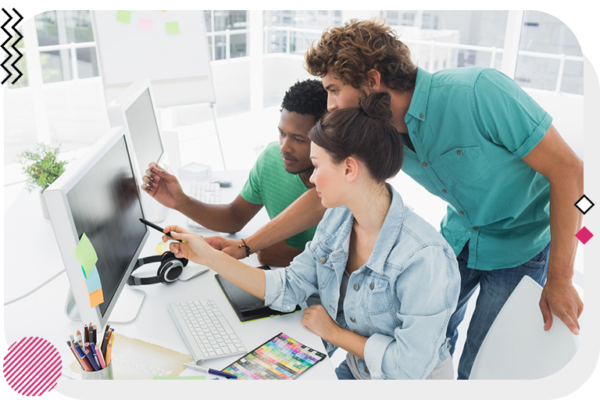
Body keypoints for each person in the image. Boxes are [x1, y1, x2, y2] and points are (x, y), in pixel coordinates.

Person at [204, 18, 584, 379]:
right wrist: (246, 245)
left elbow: (571, 171)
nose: (330, 104)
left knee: (482, 364)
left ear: (372, 80)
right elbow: (330, 194)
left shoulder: (479, 92)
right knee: (432, 343)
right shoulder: (381, 128)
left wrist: (562, 275)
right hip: (461, 235)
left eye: (334, 90)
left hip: (524, 245)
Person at [162, 92, 460, 380]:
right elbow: (289, 285)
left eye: (317, 166)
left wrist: (335, 334)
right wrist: (208, 256)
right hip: (360, 369)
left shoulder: (423, 257)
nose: (312, 178)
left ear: (349, 169)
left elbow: (409, 368)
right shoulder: (338, 218)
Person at [141, 79, 327, 267]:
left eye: (298, 139)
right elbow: (235, 217)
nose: (284, 147)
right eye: (282, 134)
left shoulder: (341, 188)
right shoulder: (271, 159)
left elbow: (350, 265)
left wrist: (294, 257)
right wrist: (181, 201)